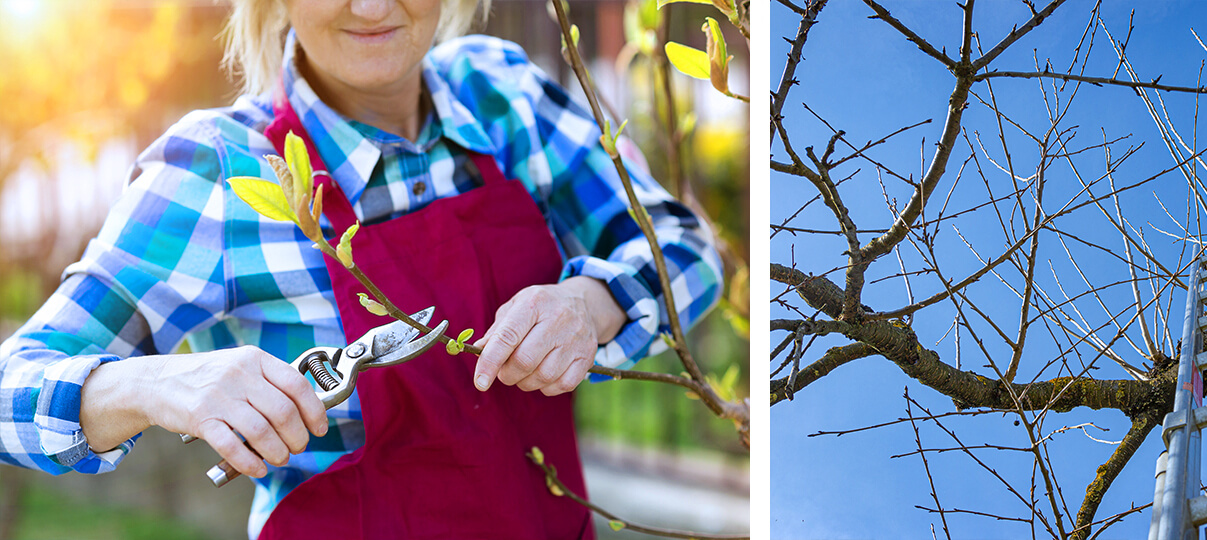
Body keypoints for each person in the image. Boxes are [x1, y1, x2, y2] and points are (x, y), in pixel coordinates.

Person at [0, 0, 722, 538]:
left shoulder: (501, 95)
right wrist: (158, 383)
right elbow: (13, 390)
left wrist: (592, 304)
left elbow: (685, 246)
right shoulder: (218, 171)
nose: (372, 7)